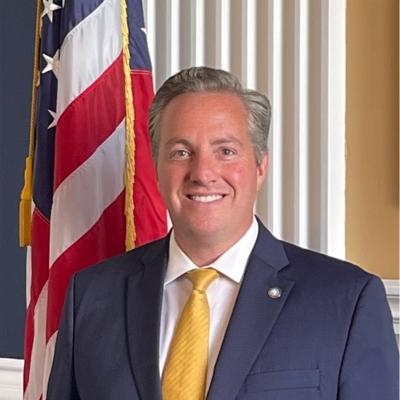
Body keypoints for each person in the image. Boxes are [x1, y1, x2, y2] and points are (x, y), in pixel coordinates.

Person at [47, 67, 399, 400]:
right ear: (156, 167)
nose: (203, 173)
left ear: (260, 166)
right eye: (181, 152)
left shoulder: (346, 300)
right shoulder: (92, 296)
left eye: (226, 151)